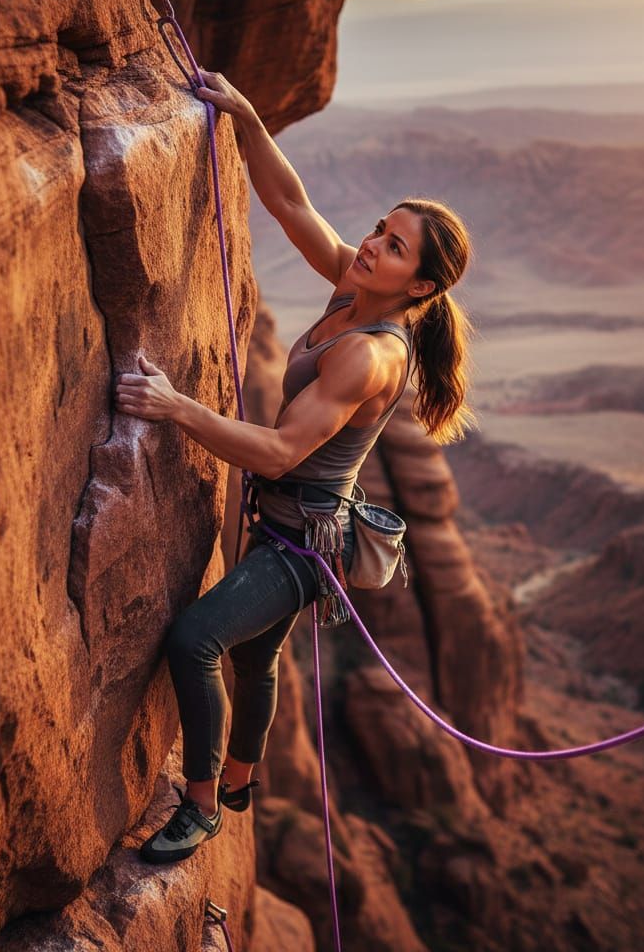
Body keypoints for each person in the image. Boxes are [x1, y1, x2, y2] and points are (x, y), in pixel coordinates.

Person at [115, 69, 475, 864]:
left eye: (392, 245)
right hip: (288, 522)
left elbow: (281, 452)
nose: (371, 242)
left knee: (196, 641)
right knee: (257, 656)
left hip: (300, 547)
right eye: (380, 228)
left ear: (416, 285)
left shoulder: (371, 355)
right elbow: (289, 204)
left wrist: (177, 407)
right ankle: (242, 776)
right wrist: (245, 111)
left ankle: (204, 805)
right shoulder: (355, 291)